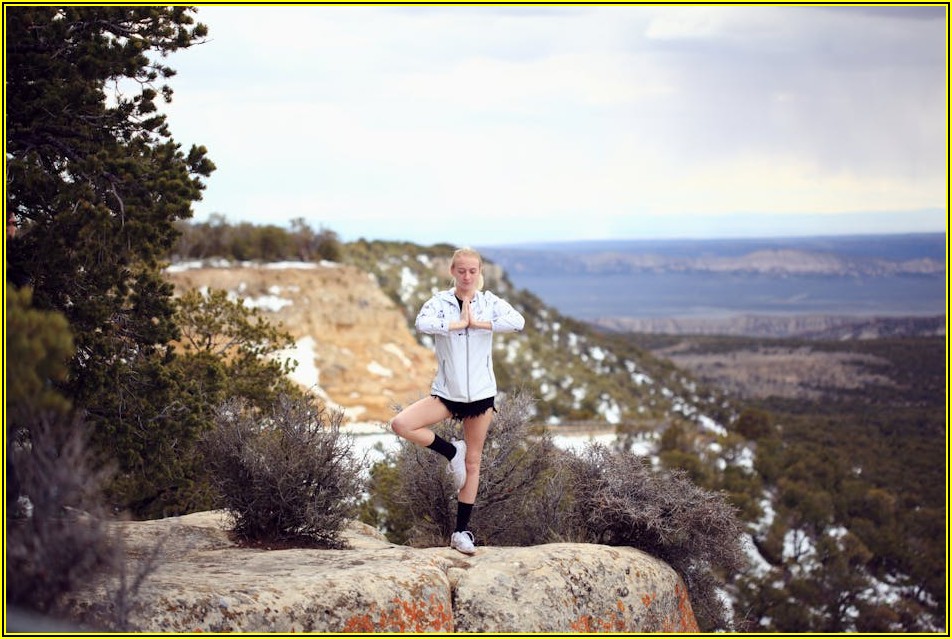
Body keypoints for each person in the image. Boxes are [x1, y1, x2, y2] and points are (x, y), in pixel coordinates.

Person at [391, 247, 525, 555]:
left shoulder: (489, 302)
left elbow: (518, 322)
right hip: (447, 393)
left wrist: (479, 323)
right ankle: (452, 451)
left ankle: (461, 532)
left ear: (480, 273)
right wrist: (456, 325)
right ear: (452, 271)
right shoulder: (439, 303)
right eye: (461, 271)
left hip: (480, 395)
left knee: (474, 462)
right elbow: (421, 324)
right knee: (402, 424)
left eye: (473, 271)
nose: (467, 277)